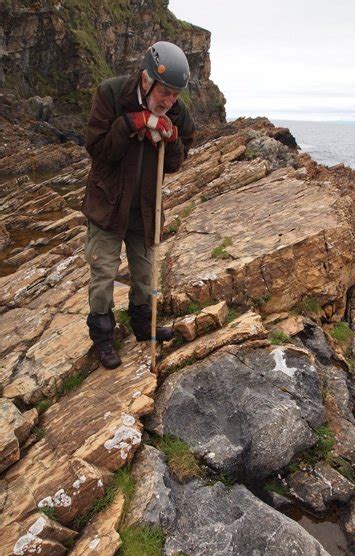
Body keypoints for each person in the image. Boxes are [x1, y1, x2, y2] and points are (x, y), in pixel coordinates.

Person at [81, 41, 195, 369]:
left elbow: (176, 162)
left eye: (176, 95)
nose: (170, 101)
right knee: (103, 273)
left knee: (144, 272)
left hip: (145, 207)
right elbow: (98, 149)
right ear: (147, 78)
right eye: (166, 93)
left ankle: (144, 326)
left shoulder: (176, 113)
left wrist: (171, 138)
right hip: (107, 205)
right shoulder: (112, 94)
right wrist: (135, 122)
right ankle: (103, 337)